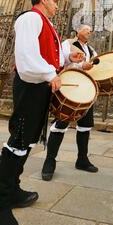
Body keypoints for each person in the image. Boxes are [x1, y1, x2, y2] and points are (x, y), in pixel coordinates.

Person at [0, 0, 83, 225]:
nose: (57, 5)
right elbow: (27, 58)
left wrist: (67, 57)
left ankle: (13, 190)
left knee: (26, 141)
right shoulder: (30, 18)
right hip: (30, 85)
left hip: (40, 88)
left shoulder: (47, 24)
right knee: (17, 141)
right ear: (42, 1)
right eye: (55, 1)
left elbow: (48, 56)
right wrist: (51, 75)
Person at [41, 25, 98, 181]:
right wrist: (80, 65)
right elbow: (61, 62)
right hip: (70, 89)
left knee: (85, 126)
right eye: (87, 29)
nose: (90, 32)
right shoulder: (67, 43)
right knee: (60, 125)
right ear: (78, 31)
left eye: (91, 30)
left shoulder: (92, 51)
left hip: (86, 91)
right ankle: (50, 161)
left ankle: (82, 160)